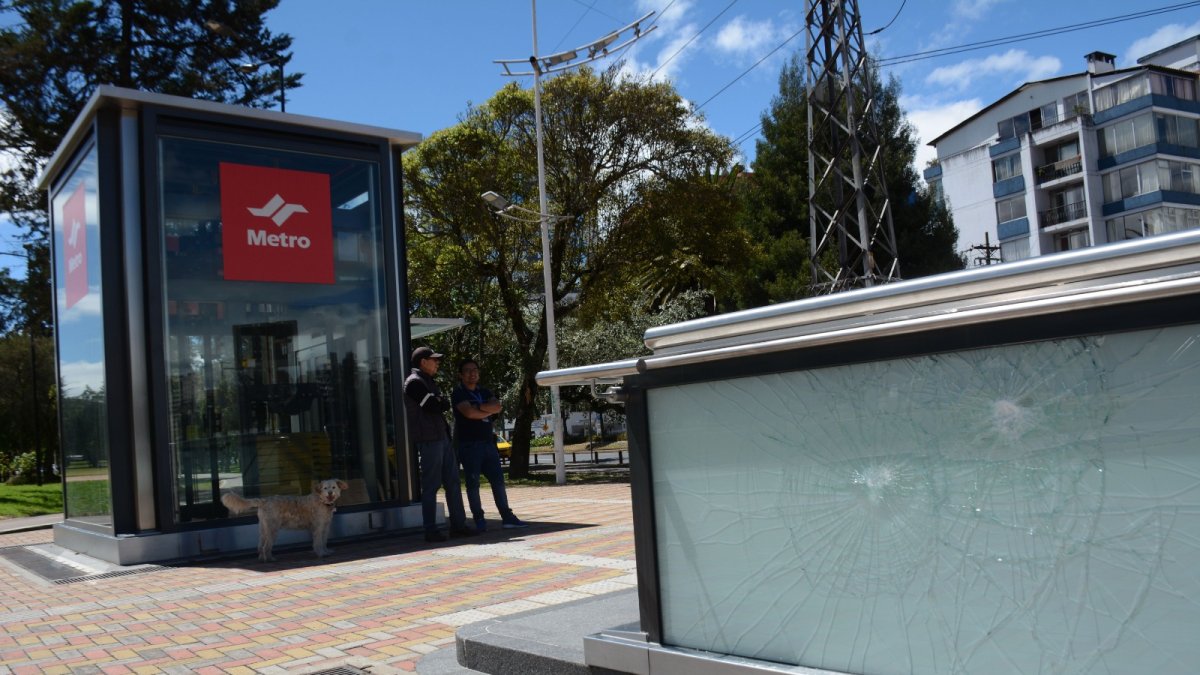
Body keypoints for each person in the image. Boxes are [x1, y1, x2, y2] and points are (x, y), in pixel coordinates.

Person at [403, 346, 477, 543]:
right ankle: (430, 530)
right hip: (429, 440)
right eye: (434, 360)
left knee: (453, 483)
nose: (437, 363)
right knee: (431, 486)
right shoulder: (414, 383)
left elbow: (440, 404)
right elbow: (434, 406)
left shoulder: (427, 381)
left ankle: (459, 526)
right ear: (422, 362)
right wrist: (439, 401)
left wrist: (439, 401)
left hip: (442, 438)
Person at [451, 359, 528, 531]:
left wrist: (478, 407)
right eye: (468, 370)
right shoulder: (458, 393)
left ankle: (507, 517)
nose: (473, 373)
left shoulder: (484, 391)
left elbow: (498, 407)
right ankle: (479, 519)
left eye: (475, 370)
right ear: (461, 375)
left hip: (488, 444)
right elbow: (469, 413)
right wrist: (485, 410)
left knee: (498, 481)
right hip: (469, 445)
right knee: (473, 484)